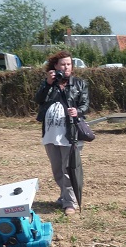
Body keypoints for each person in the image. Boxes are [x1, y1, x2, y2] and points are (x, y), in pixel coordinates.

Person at [34, 50, 90, 216]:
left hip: (70, 133)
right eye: (62, 64)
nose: (66, 67)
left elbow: (86, 105)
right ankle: (65, 196)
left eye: (69, 64)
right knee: (57, 169)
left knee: (68, 168)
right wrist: (47, 83)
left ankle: (70, 202)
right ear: (55, 67)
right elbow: (38, 100)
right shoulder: (49, 84)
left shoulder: (79, 84)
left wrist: (78, 111)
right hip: (51, 133)